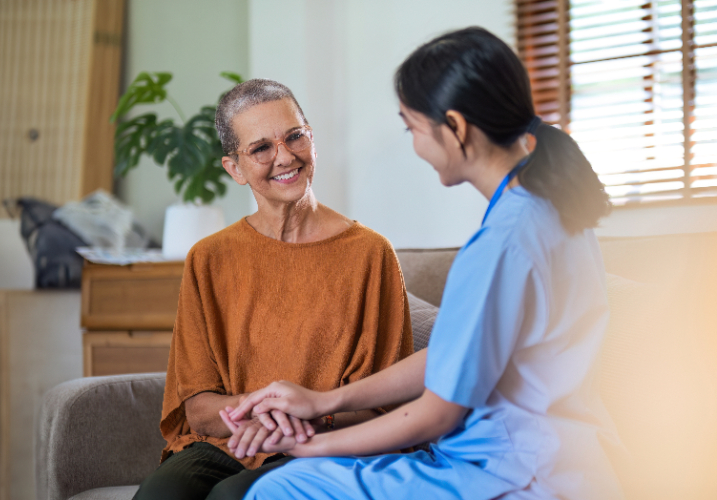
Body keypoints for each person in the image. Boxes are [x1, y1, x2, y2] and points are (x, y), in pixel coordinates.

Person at [223, 27, 623, 500]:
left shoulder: (501, 245)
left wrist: (307, 444)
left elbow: (438, 413)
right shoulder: (556, 208)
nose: (413, 144)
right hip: (567, 458)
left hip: (515, 471)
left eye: (412, 127)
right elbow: (460, 354)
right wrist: (324, 401)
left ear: (454, 127)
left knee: (280, 489)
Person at [131, 79, 414, 500]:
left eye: (295, 136)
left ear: (311, 139)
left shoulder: (371, 254)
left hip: (323, 446)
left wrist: (298, 422)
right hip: (229, 442)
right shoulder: (208, 258)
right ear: (235, 169)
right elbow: (197, 406)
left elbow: (387, 404)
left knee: (234, 497)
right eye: (261, 148)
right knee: (161, 495)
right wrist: (263, 417)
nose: (284, 156)